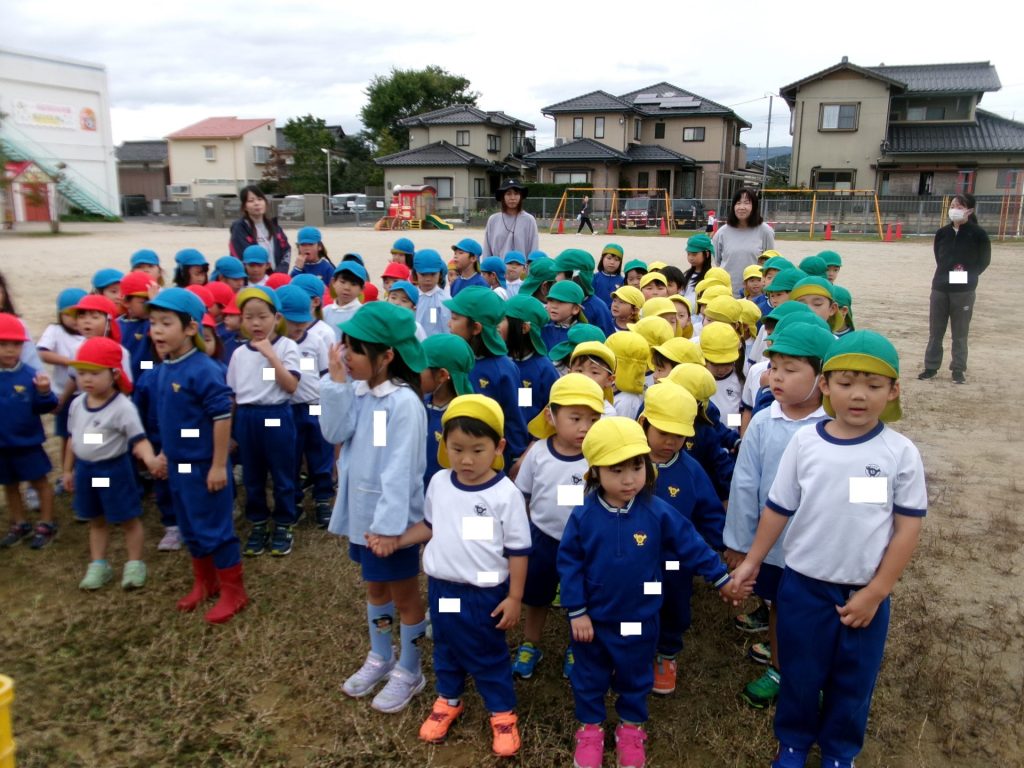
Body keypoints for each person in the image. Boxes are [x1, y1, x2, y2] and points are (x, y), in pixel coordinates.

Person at [730, 330, 926, 768]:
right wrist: (752, 560)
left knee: (853, 679)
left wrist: (877, 591)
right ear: (826, 385)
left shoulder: (900, 453)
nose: (858, 395)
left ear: (893, 391)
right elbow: (778, 507)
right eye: (846, 383)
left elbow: (907, 529)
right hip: (803, 586)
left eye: (873, 385)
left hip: (862, 593)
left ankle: (839, 751)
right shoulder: (806, 443)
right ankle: (794, 742)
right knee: (800, 671)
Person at [559, 417, 742, 768]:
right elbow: (569, 563)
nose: (629, 479)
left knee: (636, 674)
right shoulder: (583, 515)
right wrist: (576, 610)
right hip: (593, 622)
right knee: (589, 676)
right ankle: (590, 727)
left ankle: (631, 726)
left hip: (639, 620)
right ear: (595, 472)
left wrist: (720, 576)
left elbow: (690, 543)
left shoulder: (657, 511)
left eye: (637, 467)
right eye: (617, 470)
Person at [378, 394, 530, 757]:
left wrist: (514, 597)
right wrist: (397, 540)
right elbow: (431, 526)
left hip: (485, 592)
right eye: (457, 449)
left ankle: (502, 712)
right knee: (445, 645)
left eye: (478, 450)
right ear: (444, 444)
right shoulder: (440, 483)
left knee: (488, 651)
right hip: (443, 588)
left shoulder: (505, 495)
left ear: (499, 447)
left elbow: (519, 550)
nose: (466, 460)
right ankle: (448, 698)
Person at [319, 302, 429, 714]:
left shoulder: (403, 404)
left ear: (386, 356)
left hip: (390, 525)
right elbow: (335, 431)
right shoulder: (359, 390)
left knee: (405, 596)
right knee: (375, 588)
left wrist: (388, 528)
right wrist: (336, 384)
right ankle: (381, 655)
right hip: (364, 518)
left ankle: (410, 668)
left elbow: (400, 471)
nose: (345, 355)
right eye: (345, 345)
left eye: (355, 349)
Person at [724, 320, 832, 709]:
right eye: (773, 367)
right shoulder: (764, 421)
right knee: (779, 607)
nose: (776, 377)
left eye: (791, 369)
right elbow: (744, 483)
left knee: (817, 614)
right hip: (773, 546)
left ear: (822, 378)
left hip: (819, 549)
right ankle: (779, 667)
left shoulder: (834, 428)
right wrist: (739, 543)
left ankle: (815, 676)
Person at [147, 288, 248, 623]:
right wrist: (165, 452)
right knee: (190, 527)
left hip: (204, 467)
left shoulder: (203, 369)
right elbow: (172, 420)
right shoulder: (164, 368)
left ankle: (234, 591)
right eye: (153, 323)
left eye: (166, 323)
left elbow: (221, 417)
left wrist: (218, 465)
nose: (157, 330)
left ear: (190, 328)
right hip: (177, 466)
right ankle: (206, 582)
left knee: (215, 529)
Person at [511, 375, 605, 681]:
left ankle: (576, 647)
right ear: (551, 416)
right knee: (537, 595)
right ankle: (530, 643)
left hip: (583, 545)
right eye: (575, 418)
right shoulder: (538, 453)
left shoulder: (596, 458)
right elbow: (523, 494)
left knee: (580, 597)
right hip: (543, 539)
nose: (585, 428)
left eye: (593, 419)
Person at [640, 382, 725, 696]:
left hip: (675, 562)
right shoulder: (627, 465)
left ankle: (667, 651)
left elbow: (710, 512)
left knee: (674, 604)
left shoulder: (691, 470)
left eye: (678, 436)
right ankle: (634, 646)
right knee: (635, 603)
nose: (670, 442)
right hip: (634, 560)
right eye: (663, 432)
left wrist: (724, 545)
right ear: (644, 423)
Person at [65, 337, 162, 590]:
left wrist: (151, 460)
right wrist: (67, 470)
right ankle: (98, 564)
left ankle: (135, 563)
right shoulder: (77, 404)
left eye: (95, 373)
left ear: (114, 374)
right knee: (95, 519)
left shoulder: (123, 408)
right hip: (86, 471)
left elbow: (139, 439)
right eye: (82, 373)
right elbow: (73, 438)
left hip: (113, 471)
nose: (87, 379)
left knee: (127, 518)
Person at [228, 286, 301, 558]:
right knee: (252, 475)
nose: (255, 323)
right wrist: (230, 431)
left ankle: (284, 522)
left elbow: (290, 385)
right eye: (249, 317)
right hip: (247, 418)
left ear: (276, 317)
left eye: (262, 316)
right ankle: (258, 522)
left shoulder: (287, 347)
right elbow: (232, 396)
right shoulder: (238, 353)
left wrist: (270, 355)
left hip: (275, 415)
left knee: (282, 473)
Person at [444, 286, 529, 466]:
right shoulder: (451, 359)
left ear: (476, 327)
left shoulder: (505, 369)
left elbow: (517, 416)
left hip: (486, 464)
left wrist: (516, 461)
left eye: (455, 318)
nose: (449, 324)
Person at [0, 313, 58, 550]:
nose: (9, 350)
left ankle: (46, 522)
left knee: (40, 482)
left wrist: (44, 392)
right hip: (2, 445)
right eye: (3, 344)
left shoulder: (31, 375)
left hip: (28, 443)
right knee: (10, 485)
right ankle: (19, 522)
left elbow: (47, 407)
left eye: (15, 344)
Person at [277, 285, 333, 529]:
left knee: (319, 451)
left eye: (303, 322)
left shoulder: (316, 341)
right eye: (293, 322)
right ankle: (293, 501)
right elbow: (266, 376)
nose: (299, 327)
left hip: (313, 405)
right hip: (286, 408)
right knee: (289, 455)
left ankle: (323, 499)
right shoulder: (274, 346)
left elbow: (325, 374)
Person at [920, 192, 990, 384]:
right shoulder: (942, 233)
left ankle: (958, 369)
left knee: (960, 332)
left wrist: (968, 276)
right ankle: (931, 367)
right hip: (940, 287)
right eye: (952, 206)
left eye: (960, 207)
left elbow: (984, 261)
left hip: (964, 290)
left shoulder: (978, 234)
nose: (955, 210)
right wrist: (946, 275)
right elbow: (939, 257)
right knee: (936, 330)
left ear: (969, 210)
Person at [419, 334, 476, 487]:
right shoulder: (417, 405)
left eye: (420, 366)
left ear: (442, 375)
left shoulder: (466, 419)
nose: (413, 371)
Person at [503, 293, 559, 427]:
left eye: (505, 320)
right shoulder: (500, 361)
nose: (499, 326)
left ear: (525, 328)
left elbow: (527, 410)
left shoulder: (542, 369)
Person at [712, 188, 776, 295]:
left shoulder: (765, 231)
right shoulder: (722, 232)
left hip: (755, 295)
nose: (742, 207)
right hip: (728, 293)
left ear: (754, 206)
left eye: (746, 203)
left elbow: (769, 262)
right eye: (738, 203)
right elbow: (718, 261)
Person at [230, 185, 291, 273]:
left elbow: (286, 250)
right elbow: (242, 256)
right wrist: (267, 275)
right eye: (251, 201)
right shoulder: (240, 228)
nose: (256, 203)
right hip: (254, 278)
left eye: (260, 199)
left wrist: (280, 273)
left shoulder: (274, 226)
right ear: (244, 207)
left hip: (276, 277)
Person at [483, 179, 539, 258]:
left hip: (522, 265)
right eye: (508, 194)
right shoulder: (493, 220)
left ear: (520, 196)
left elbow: (534, 249)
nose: (512, 198)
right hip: (499, 265)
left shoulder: (529, 220)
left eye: (516, 194)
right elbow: (487, 250)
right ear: (503, 196)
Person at [322, 262, 367, 341]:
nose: (347, 288)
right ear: (333, 282)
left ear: (362, 289)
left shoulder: (362, 314)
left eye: (353, 284)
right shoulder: (325, 311)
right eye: (342, 282)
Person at [412, 249, 451, 338]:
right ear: (415, 273)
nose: (428, 279)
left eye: (433, 274)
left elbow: (447, 329)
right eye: (423, 274)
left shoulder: (444, 300)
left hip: (435, 344)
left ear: (440, 274)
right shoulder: (410, 296)